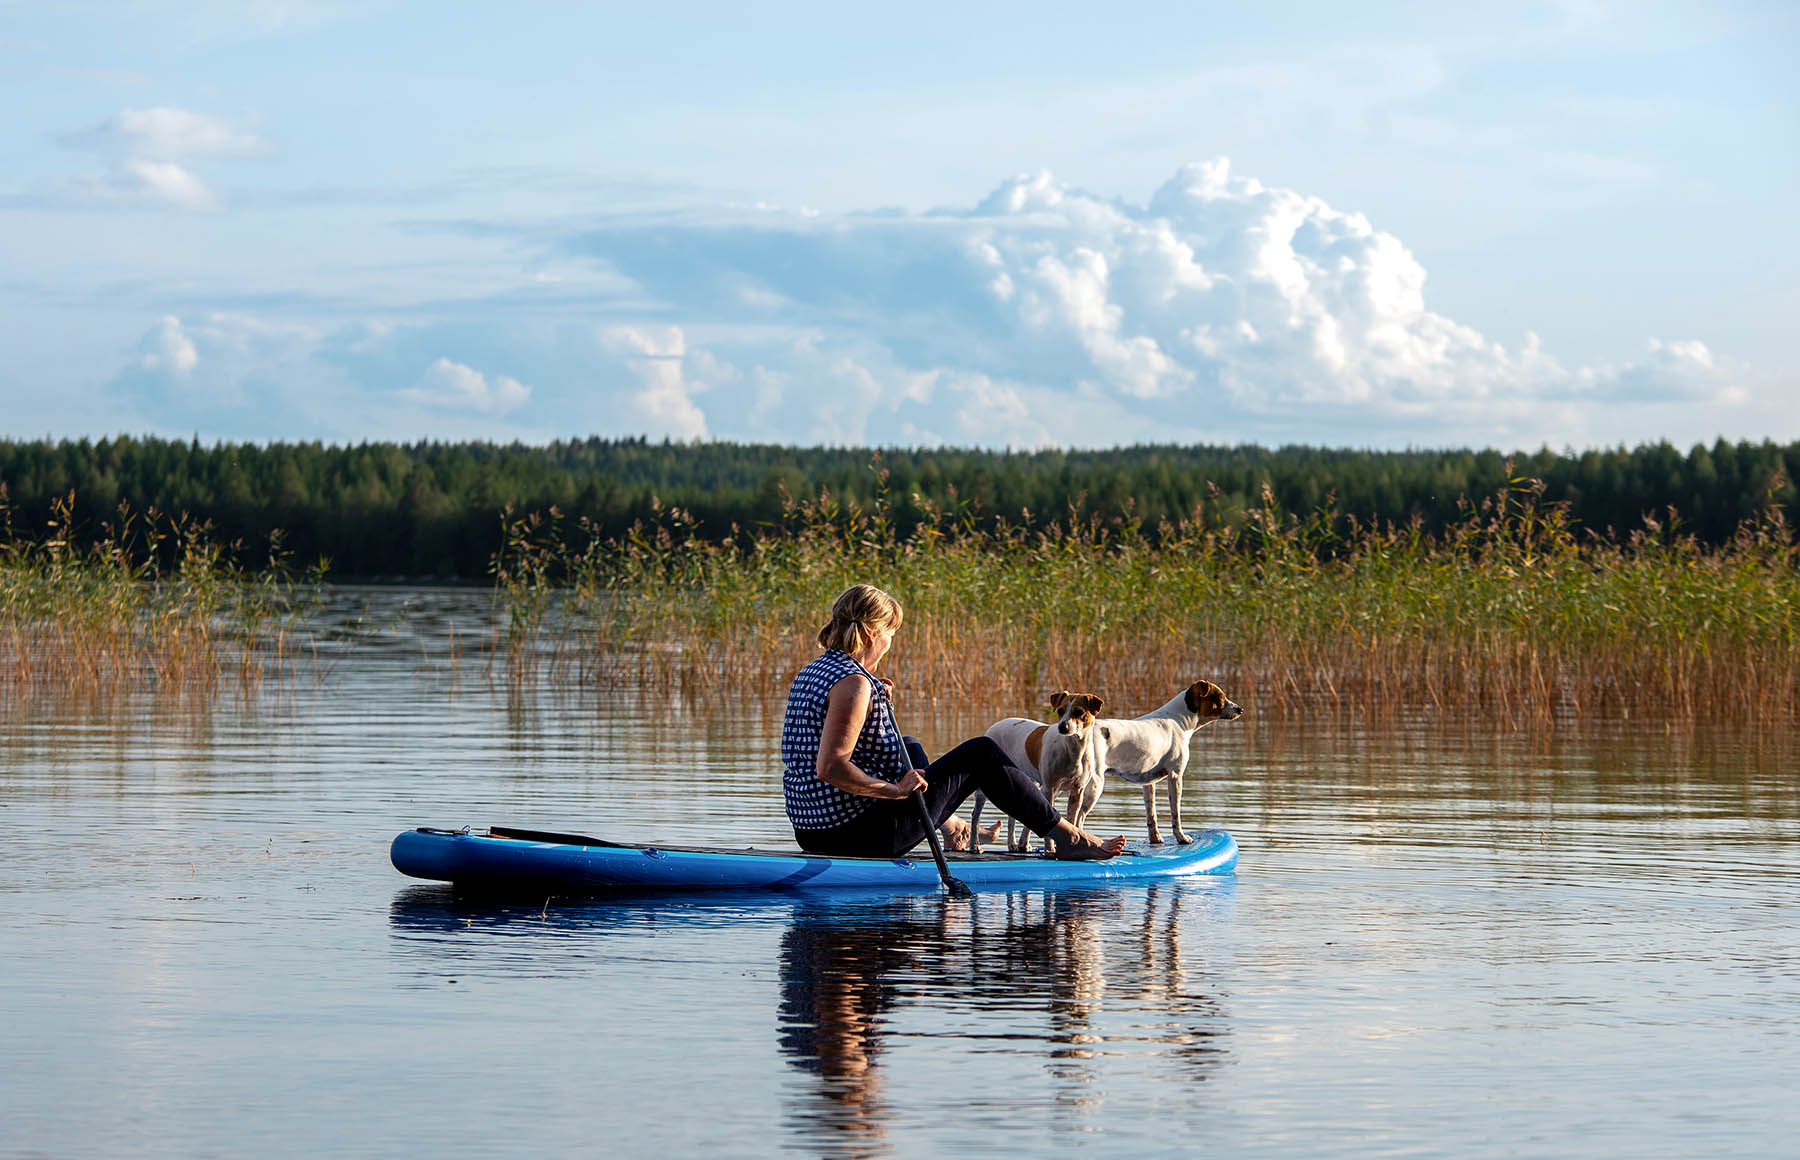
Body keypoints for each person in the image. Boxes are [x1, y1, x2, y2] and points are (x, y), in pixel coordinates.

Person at [780, 583, 1126, 860]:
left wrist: (873, 702)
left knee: (910, 747)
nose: (890, 642)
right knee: (981, 753)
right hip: (856, 838)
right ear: (871, 634)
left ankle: (955, 827)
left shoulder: (815, 671)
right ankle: (1069, 837)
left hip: (811, 830)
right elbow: (831, 767)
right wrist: (896, 790)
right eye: (891, 633)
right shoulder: (853, 684)